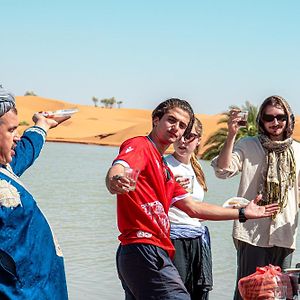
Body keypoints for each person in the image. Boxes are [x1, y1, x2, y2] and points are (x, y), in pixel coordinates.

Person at [105, 98, 278, 300]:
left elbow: (193, 208)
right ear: (156, 119)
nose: (175, 129)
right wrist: (115, 179)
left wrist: (242, 213)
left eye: (182, 126)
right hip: (144, 248)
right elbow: (121, 166)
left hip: (148, 251)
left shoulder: (164, 171)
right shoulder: (141, 145)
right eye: (171, 120)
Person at [211, 95, 300, 300]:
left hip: (284, 233)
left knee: (280, 293)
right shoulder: (249, 145)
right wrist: (231, 135)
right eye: (269, 117)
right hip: (252, 232)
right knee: (248, 293)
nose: (275, 122)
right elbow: (223, 170)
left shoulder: (297, 150)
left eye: (280, 117)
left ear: (288, 118)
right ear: (261, 120)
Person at [0, 87, 68, 299]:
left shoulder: (5, 168)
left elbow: (26, 150)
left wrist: (42, 125)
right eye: (11, 131)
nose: (17, 137)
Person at [164, 117, 212, 299]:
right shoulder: (166, 165)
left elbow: (195, 207)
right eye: (180, 136)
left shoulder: (195, 167)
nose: (183, 141)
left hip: (196, 239)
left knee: (197, 293)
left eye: (190, 136)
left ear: (199, 140)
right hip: (174, 239)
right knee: (176, 292)